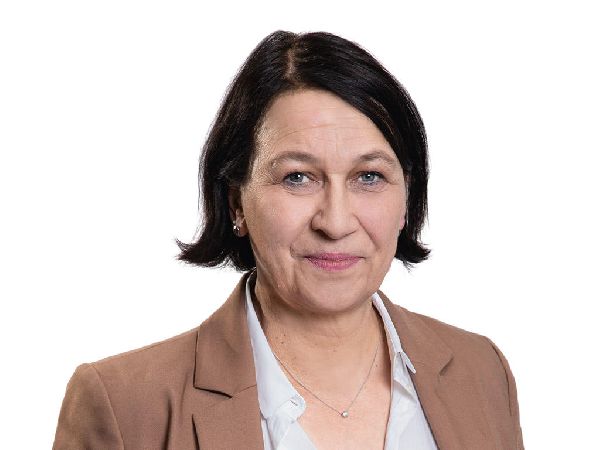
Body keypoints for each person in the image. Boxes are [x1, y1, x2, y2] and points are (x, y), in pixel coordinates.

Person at [53, 30, 524, 450]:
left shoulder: (481, 371)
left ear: (407, 198)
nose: (335, 222)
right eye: (298, 177)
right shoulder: (124, 406)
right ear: (236, 202)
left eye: (369, 176)